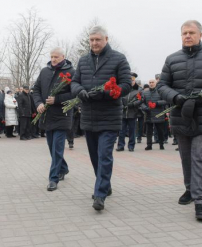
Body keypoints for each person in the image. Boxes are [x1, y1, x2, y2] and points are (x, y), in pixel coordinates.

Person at [157, 20, 202, 221]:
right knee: (186, 157)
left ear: (200, 34)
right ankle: (190, 189)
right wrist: (175, 97)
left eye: (191, 32)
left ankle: (200, 201)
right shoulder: (172, 59)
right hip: (181, 115)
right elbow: (162, 85)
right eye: (184, 33)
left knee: (199, 156)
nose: (187, 36)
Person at [71, 25, 131, 211]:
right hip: (89, 116)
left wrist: (107, 93)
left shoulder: (118, 59)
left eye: (98, 39)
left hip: (109, 116)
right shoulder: (83, 60)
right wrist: (80, 92)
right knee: (95, 157)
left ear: (106, 39)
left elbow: (126, 84)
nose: (94, 43)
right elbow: (74, 82)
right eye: (91, 40)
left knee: (104, 154)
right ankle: (105, 184)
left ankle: (100, 194)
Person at [33, 47, 75, 191]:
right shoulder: (45, 71)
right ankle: (63, 168)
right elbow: (36, 89)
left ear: (63, 56)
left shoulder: (71, 73)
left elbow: (74, 94)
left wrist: (57, 99)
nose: (53, 59)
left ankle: (53, 179)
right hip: (47, 116)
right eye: (51, 56)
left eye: (56, 56)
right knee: (52, 147)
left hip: (62, 116)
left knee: (57, 148)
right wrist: (38, 103)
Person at [117, 72, 141, 152]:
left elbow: (140, 100)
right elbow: (118, 98)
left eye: (133, 80)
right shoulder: (123, 90)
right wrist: (122, 105)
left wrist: (132, 104)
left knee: (132, 131)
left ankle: (131, 146)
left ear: (135, 81)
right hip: (123, 113)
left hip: (132, 113)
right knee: (121, 131)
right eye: (130, 79)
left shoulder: (138, 91)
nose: (131, 81)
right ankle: (120, 145)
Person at [141, 79, 168, 151]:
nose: (151, 84)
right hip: (149, 114)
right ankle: (149, 145)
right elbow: (142, 102)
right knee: (149, 131)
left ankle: (161, 144)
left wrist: (157, 103)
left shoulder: (160, 92)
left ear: (155, 83)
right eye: (150, 82)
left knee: (160, 131)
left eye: (152, 82)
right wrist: (145, 108)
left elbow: (165, 101)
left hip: (158, 114)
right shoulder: (145, 93)